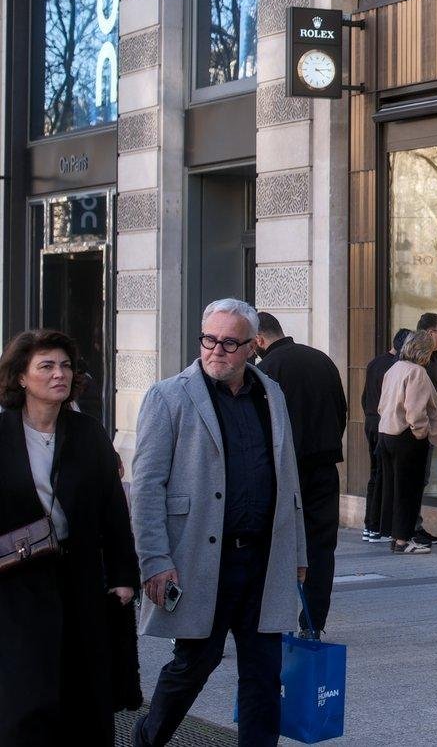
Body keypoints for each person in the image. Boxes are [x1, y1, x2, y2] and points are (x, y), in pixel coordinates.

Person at [130, 299, 308, 747]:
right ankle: (147, 740)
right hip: (201, 559)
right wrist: (154, 560)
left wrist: (298, 554)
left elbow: (288, 481)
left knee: (264, 675)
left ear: (253, 346)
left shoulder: (271, 393)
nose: (216, 351)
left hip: (264, 561)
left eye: (229, 343)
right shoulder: (169, 396)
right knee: (193, 665)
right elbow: (147, 486)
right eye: (209, 340)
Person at [0, 330, 138, 745]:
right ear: (22, 377)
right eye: (46, 366)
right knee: (25, 692)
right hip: (15, 582)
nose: (58, 374)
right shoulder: (2, 434)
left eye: (65, 366)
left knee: (83, 689)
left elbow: (113, 511)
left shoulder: (87, 433)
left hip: (79, 579)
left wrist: (123, 575)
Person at [252, 311, 347, 636]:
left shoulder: (264, 371)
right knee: (321, 548)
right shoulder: (322, 361)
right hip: (323, 468)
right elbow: (342, 411)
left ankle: (267, 623)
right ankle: (312, 623)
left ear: (259, 340)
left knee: (272, 548)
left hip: (282, 474)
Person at [378, 330, 437, 554]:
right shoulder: (417, 372)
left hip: (387, 433)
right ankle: (402, 540)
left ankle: (395, 537)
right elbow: (415, 411)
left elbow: (382, 405)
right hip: (407, 437)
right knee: (409, 490)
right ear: (424, 351)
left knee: (394, 488)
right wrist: (421, 433)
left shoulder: (394, 368)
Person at [360, 329, 411, 543]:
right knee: (383, 475)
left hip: (371, 421)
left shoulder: (374, 363)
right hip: (383, 424)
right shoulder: (396, 367)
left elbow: (364, 397)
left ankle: (369, 526)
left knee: (375, 474)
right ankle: (376, 527)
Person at [414, 311, 437, 545]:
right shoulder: (419, 360)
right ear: (429, 333)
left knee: (423, 479)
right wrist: (422, 428)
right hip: (420, 431)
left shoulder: (436, 357)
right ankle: (409, 528)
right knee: (416, 479)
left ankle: (415, 524)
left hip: (432, 429)